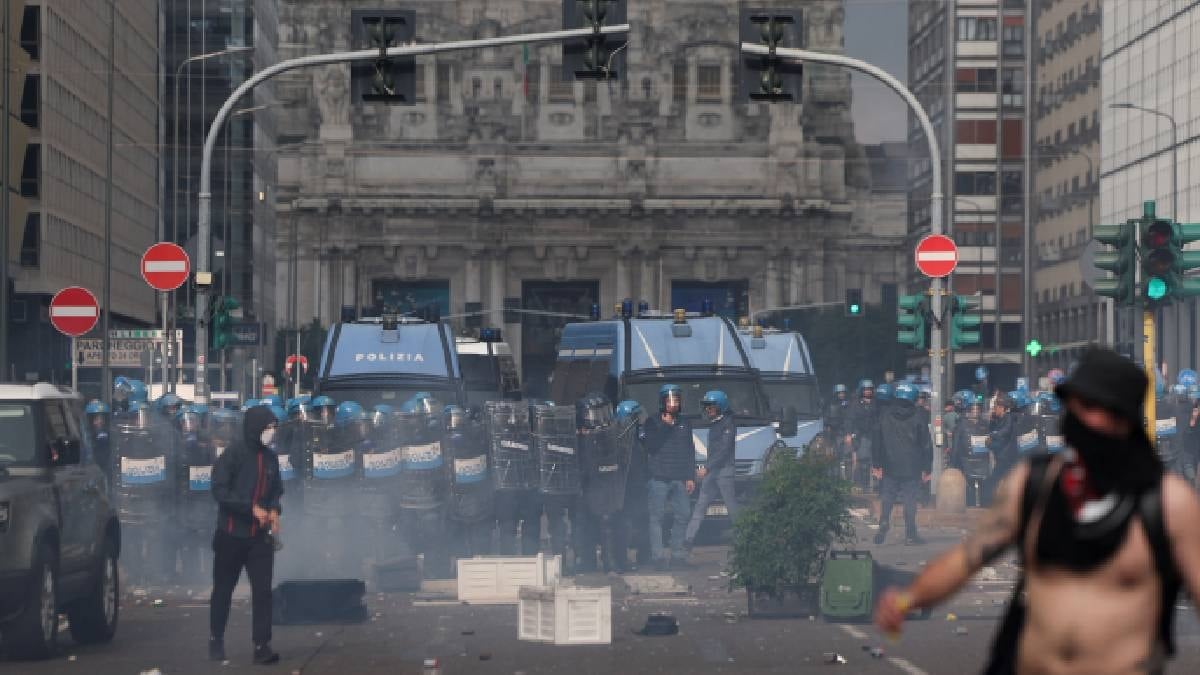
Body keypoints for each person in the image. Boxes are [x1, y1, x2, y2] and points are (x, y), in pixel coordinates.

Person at [875, 347, 1200, 675]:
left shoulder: (1168, 504)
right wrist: (908, 599)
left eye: (1092, 407)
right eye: (1074, 404)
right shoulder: (1035, 486)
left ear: (1124, 419)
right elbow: (965, 559)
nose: (1078, 416)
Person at [209, 405, 283, 665]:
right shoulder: (233, 455)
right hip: (231, 533)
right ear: (255, 428)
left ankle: (262, 645)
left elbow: (276, 490)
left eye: (273, 428)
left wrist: (274, 510)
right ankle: (216, 639)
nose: (271, 433)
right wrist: (250, 508)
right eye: (267, 428)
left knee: (263, 592)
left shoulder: (271, 458)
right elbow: (220, 490)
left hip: (259, 538)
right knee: (223, 590)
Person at [642, 384, 697, 571]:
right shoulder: (652, 422)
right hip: (659, 478)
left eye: (676, 400)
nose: (673, 404)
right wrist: (665, 427)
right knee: (656, 517)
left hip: (680, 477)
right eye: (669, 400)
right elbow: (651, 446)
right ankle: (658, 557)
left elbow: (690, 451)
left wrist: (690, 477)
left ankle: (677, 555)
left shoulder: (685, 423)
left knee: (684, 514)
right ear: (662, 402)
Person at [871, 383, 932, 546]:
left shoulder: (885, 414)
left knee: (888, 494)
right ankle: (911, 534)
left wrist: (876, 463)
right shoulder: (919, 415)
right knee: (910, 499)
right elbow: (926, 443)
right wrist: (927, 467)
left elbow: (877, 439)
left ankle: (884, 520)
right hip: (912, 464)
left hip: (889, 462)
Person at [683, 390, 738, 552]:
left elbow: (724, 450)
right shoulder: (715, 424)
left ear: (720, 407)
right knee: (700, 505)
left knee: (731, 506)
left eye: (710, 407)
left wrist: (707, 467)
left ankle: (744, 536)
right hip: (713, 471)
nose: (707, 410)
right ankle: (688, 539)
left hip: (724, 471)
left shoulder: (728, 424)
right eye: (706, 407)